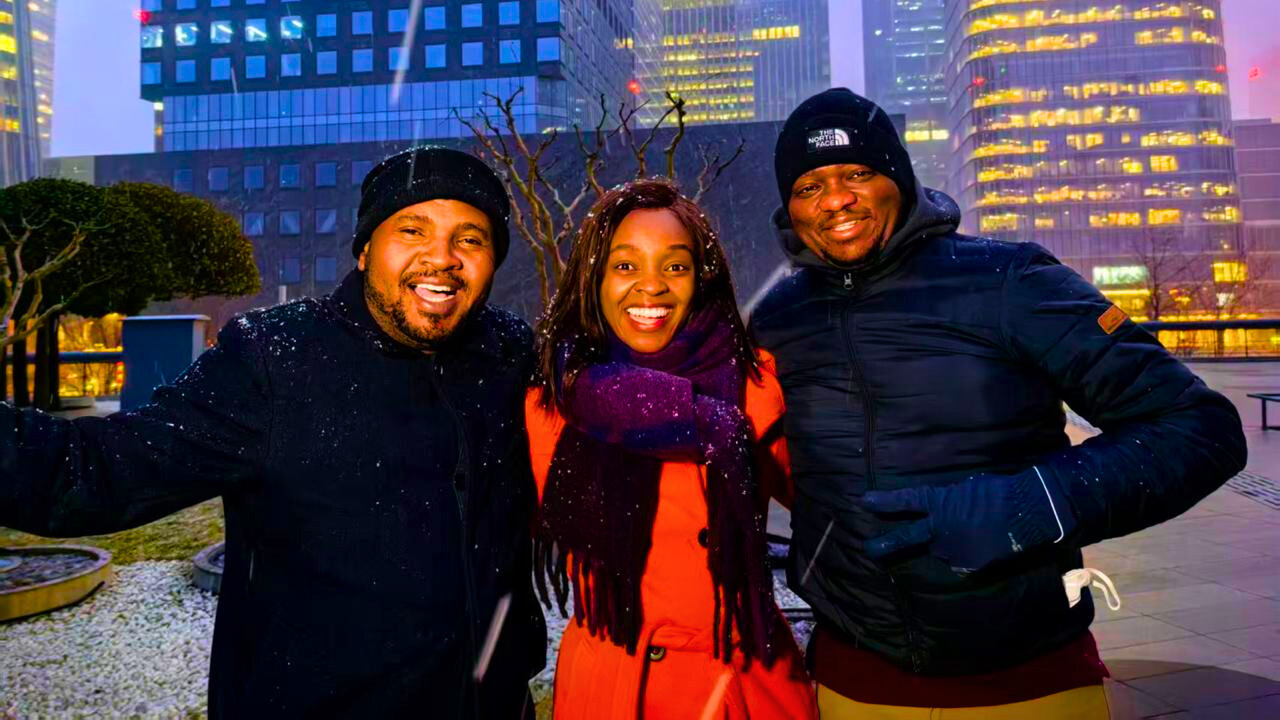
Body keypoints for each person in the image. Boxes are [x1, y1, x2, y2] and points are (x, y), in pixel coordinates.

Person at [750, 88, 1248, 718]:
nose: (836, 200)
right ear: (790, 209)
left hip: (1029, 682)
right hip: (855, 682)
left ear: (898, 179)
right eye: (808, 186)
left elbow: (1200, 428)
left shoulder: (1008, 281)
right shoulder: (778, 318)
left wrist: (1027, 506)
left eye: (857, 173)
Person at [0, 147, 545, 718]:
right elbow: (90, 472)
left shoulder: (506, 351)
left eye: (471, 239)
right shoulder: (275, 360)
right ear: (365, 250)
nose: (442, 257)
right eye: (412, 229)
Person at [525, 179, 817, 720]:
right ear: (595, 278)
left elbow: (836, 511)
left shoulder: (755, 387)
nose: (651, 287)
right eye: (626, 266)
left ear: (701, 278)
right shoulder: (551, 402)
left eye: (676, 266)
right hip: (611, 691)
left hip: (739, 684)